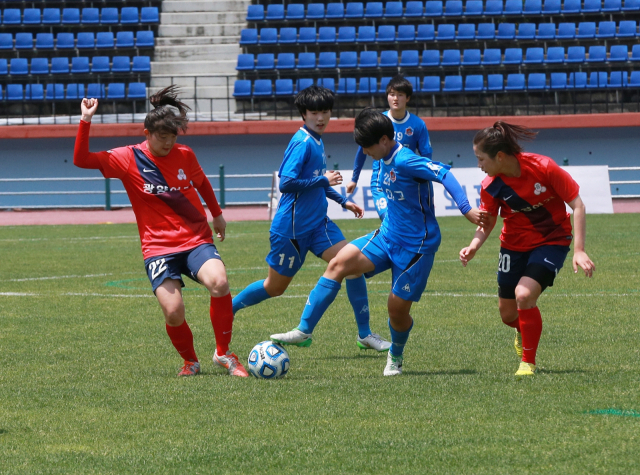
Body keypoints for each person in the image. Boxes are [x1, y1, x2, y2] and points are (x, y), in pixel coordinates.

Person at [271, 108, 485, 376]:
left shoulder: (406, 160)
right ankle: (304, 330)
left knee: (396, 311)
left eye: (367, 147)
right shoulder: (382, 154)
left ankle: (395, 355)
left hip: (416, 247)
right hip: (387, 236)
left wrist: (466, 208)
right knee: (339, 263)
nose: (365, 152)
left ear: (384, 140)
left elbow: (443, 173)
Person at [73, 86, 248, 377]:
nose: (168, 143)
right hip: (158, 248)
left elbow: (202, 182)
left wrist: (217, 215)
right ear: (146, 133)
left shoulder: (184, 154)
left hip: (195, 239)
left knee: (219, 282)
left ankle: (224, 353)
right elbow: (81, 159)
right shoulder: (127, 158)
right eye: (161, 137)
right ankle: (190, 361)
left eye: (173, 137)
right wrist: (86, 120)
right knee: (173, 311)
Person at [232, 86, 392, 352]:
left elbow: (316, 183)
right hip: (292, 230)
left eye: (325, 112)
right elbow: (287, 183)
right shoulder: (302, 142)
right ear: (303, 114)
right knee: (275, 287)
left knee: (354, 266)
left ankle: (364, 334)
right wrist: (322, 179)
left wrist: (343, 201)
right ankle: (229, 308)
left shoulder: (317, 139)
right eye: (314, 112)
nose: (321, 117)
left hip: (319, 224)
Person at [459, 121, 595, 379]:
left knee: (524, 295)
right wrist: (473, 246)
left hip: (552, 240)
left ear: (499, 156)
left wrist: (579, 250)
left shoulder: (543, 167)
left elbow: (578, 205)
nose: (479, 165)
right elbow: (487, 222)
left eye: (480, 159)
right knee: (508, 314)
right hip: (512, 245)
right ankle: (523, 329)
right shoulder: (491, 185)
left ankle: (527, 362)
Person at [345, 75, 432, 220]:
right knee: (389, 220)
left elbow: (426, 154)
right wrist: (354, 179)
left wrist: (422, 178)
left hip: (405, 183)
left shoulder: (418, 124)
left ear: (408, 98)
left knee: (407, 224)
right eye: (392, 94)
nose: (395, 98)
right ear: (387, 97)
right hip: (381, 182)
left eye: (400, 95)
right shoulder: (377, 122)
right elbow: (362, 151)